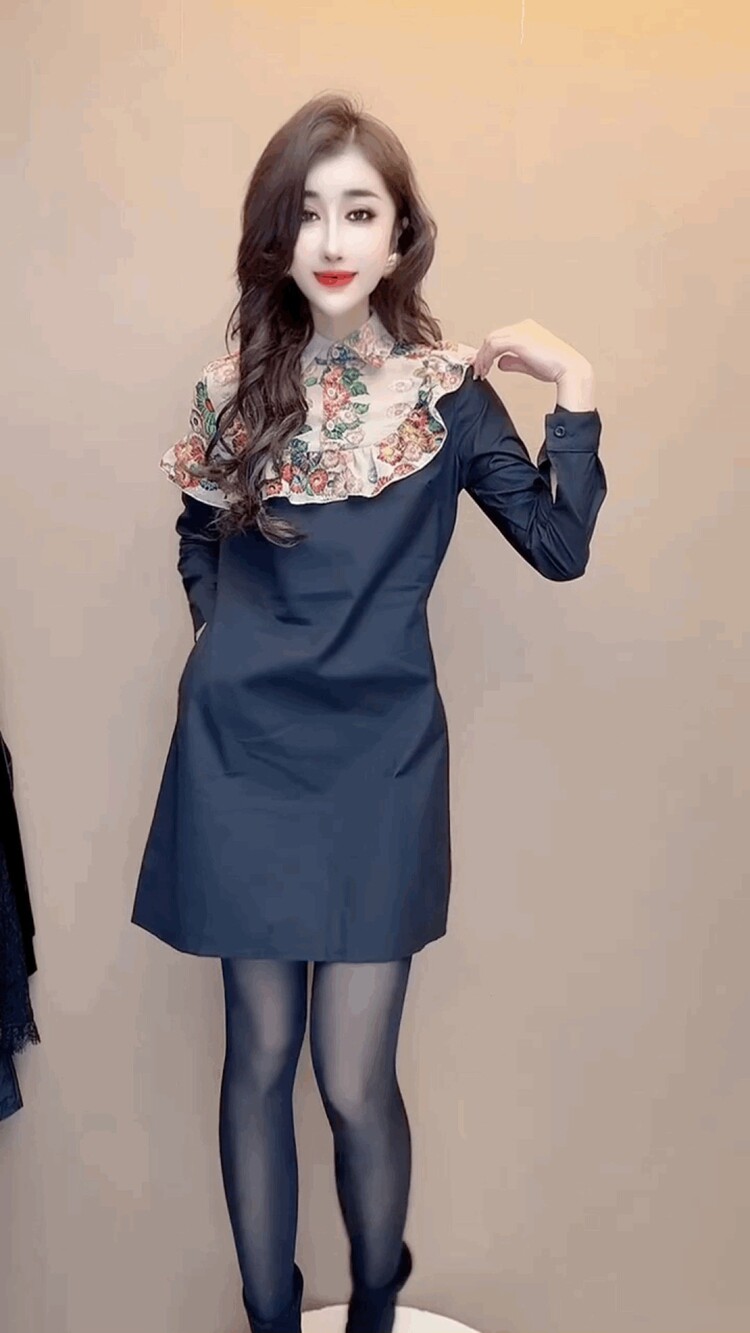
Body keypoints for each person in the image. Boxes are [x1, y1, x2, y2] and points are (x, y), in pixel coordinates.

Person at [131, 92, 607, 1333]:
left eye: (360, 211)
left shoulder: (448, 400)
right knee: (255, 1060)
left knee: (352, 1080)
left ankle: (375, 1311)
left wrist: (576, 389)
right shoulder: (231, 392)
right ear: (276, 236)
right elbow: (197, 535)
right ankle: (271, 1318)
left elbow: (557, 546)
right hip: (240, 756)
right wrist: (225, 642)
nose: (333, 238)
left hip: (380, 764)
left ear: (402, 236)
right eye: (308, 212)